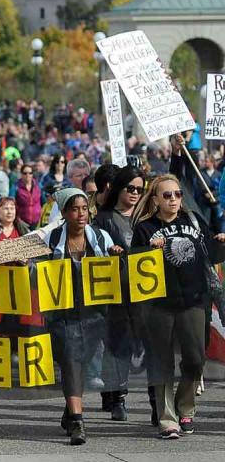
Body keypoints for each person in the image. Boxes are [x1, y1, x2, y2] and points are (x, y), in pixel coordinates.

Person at [132, 174, 225, 439]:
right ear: (155, 199)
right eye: (167, 195)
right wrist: (148, 250)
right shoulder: (145, 228)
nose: (174, 199)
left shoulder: (193, 220)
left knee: (195, 360)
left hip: (193, 300)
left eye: (177, 194)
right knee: (161, 362)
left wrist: (220, 242)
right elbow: (133, 265)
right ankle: (167, 418)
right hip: (158, 305)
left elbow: (210, 255)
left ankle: (186, 406)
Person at [42, 188, 122, 446]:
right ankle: (78, 421)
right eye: (74, 209)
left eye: (84, 209)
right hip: (61, 313)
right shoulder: (51, 239)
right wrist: (27, 265)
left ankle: (69, 409)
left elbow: (118, 275)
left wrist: (116, 258)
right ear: (64, 213)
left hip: (94, 313)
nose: (80, 214)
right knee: (70, 361)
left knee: (84, 364)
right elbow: (36, 275)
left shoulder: (101, 237)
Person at [94, 166, 147, 423]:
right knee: (118, 344)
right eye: (131, 188)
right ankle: (118, 397)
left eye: (140, 189)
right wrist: (108, 251)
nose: (136, 193)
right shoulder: (103, 219)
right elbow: (91, 249)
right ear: (119, 189)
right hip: (113, 291)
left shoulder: (147, 218)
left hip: (145, 291)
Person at [15, 164, 42, 229]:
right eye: (25, 173)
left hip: (37, 223)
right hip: (22, 223)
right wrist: (18, 220)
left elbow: (44, 201)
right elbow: (12, 202)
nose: (28, 175)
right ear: (21, 174)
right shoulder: (16, 187)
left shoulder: (38, 185)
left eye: (30, 173)